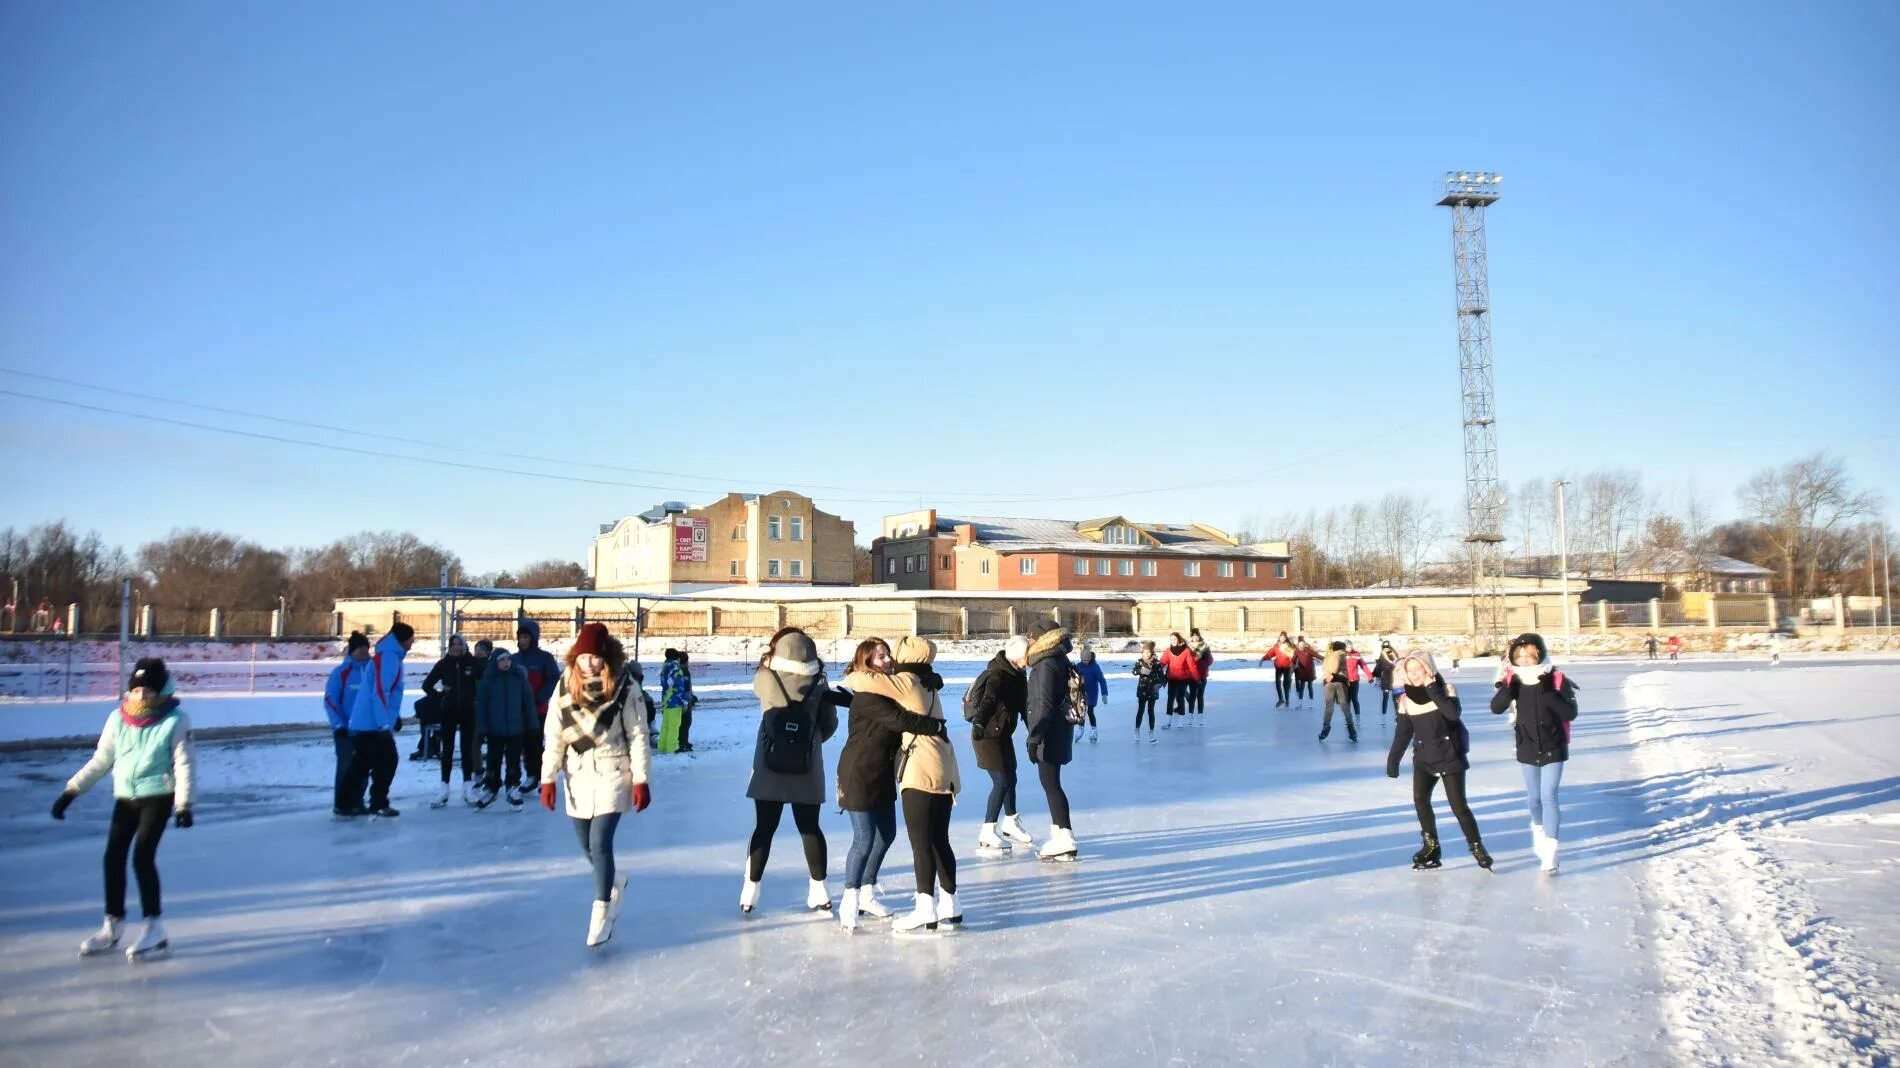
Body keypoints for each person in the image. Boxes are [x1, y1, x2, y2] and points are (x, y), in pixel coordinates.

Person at [51, 658, 195, 962]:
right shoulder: (117, 719)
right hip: (126, 797)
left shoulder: (175, 720)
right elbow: (101, 761)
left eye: (149, 690)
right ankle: (112, 925)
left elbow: (184, 765)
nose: (142, 696)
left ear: (161, 690)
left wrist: (183, 805)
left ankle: (154, 927)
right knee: (112, 857)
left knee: (142, 857)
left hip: (158, 796)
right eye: (138, 689)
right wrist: (71, 791)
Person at [538, 622, 651, 947]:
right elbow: (555, 737)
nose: (589, 663)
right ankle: (614, 879)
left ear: (605, 657)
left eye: (595, 657)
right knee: (586, 845)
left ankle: (602, 913)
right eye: (584, 657)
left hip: (614, 770)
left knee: (600, 843)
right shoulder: (565, 685)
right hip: (577, 774)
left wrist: (642, 779)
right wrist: (548, 778)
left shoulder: (625, 687)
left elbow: (638, 735)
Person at [836, 638, 950, 930]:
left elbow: (908, 691)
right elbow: (899, 719)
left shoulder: (887, 687)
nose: (887, 660)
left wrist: (928, 676)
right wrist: (936, 726)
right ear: (866, 662)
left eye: (888, 654)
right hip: (858, 773)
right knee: (863, 840)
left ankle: (867, 893)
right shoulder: (867, 693)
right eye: (879, 657)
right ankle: (849, 900)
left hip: (883, 773)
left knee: (886, 835)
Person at [741, 627, 842, 916]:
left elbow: (761, 697)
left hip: (770, 762)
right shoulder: (818, 683)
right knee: (809, 827)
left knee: (764, 827)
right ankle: (820, 892)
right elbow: (830, 724)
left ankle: (750, 891)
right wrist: (806, 741)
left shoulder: (765, 677)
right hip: (806, 765)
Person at [1386, 650, 1490, 871]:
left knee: (1459, 806)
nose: (1414, 674)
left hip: (1450, 756)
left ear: (1428, 668)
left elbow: (1452, 714)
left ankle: (1476, 846)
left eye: (1419, 669)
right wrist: (1393, 760)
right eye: (1410, 670)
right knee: (1420, 800)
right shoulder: (1405, 700)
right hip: (1423, 759)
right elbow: (1403, 733)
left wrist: (1432, 688)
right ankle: (1431, 846)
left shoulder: (1446, 690)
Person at [890, 636, 962, 934]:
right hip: (945, 767)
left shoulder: (906, 680)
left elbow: (863, 684)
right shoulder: (929, 682)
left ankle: (925, 909)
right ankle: (951, 903)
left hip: (920, 769)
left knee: (920, 842)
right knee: (938, 839)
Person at [1490, 633, 1578, 874]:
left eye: (1530, 655)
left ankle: (1551, 850)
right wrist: (1508, 688)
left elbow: (1570, 713)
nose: (1525, 660)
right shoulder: (1513, 681)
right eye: (1519, 656)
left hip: (1553, 744)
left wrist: (1550, 693)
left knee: (1549, 795)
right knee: (1534, 798)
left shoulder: (1557, 678)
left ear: (1539, 654)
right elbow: (1496, 708)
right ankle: (1538, 831)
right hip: (1527, 745)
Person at [340, 623, 414, 818]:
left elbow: (386, 694)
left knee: (362, 763)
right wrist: (383, 724)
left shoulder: (391, 656)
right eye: (410, 638)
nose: (412, 642)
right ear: (403, 640)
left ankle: (346, 802)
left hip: (369, 721)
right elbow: (380, 692)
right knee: (387, 761)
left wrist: (392, 717)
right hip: (372, 724)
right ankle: (377, 802)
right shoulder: (389, 658)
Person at [968, 635, 1035, 852]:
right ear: (1017, 657)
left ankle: (1010, 822)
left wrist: (1034, 731)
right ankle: (987, 831)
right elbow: (988, 701)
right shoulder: (998, 675)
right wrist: (978, 723)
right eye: (1027, 656)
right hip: (986, 735)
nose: (1029, 659)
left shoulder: (1018, 675)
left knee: (1011, 776)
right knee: (1001, 781)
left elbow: (1024, 708)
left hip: (1002, 733)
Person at [1024, 620, 1079, 860]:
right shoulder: (1058, 659)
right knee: (1051, 783)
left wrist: (1034, 738)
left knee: (1051, 784)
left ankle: (1064, 837)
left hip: (1049, 731)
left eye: (1031, 637)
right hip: (1058, 728)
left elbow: (1043, 704)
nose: (1028, 641)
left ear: (1042, 638)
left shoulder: (1046, 664)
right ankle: (1059, 834)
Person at [422, 635, 483, 807]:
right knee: (447, 749)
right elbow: (427, 685)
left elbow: (485, 681)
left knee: (466, 749)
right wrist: (441, 696)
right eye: (453, 644)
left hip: (468, 711)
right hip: (448, 711)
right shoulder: (443, 664)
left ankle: (467, 786)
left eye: (459, 644)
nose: (456, 647)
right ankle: (444, 788)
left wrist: (476, 698)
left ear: (464, 646)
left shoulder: (472, 663)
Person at [474, 648, 536, 808]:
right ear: (495, 663)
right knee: (493, 760)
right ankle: (491, 787)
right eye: (502, 660)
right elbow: (481, 705)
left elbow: (528, 703)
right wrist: (482, 727)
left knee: (513, 760)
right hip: (495, 729)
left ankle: (512, 787)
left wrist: (532, 724)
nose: (506, 663)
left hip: (516, 728)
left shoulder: (519, 679)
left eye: (508, 659)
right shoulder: (488, 681)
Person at [324, 632, 372, 815]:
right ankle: (342, 804)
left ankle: (358, 801)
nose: (363, 652)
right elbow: (331, 700)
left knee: (363, 768)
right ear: (352, 650)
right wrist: (339, 725)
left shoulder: (372, 671)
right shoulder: (341, 673)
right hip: (346, 731)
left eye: (365, 648)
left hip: (367, 730)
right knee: (346, 767)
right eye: (359, 649)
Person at [512, 619, 561, 794]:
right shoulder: (514, 659)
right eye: (521, 637)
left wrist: (541, 697)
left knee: (536, 743)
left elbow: (554, 679)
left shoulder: (544, 658)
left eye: (526, 637)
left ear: (533, 638)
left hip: (537, 708)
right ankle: (531, 774)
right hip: (518, 709)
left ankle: (542, 775)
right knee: (523, 744)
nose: (523, 641)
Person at [658, 648, 697, 753]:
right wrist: (684, 701)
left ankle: (662, 745)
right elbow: (680, 687)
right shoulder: (676, 669)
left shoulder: (665, 668)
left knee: (665, 725)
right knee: (674, 726)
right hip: (675, 702)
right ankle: (672, 747)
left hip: (666, 701)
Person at [1319, 640, 1356, 742]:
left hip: (1329, 682)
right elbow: (1337, 666)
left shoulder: (1330, 655)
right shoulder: (1341, 654)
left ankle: (1326, 728)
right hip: (1340, 681)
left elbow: (1328, 668)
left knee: (1329, 706)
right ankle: (1351, 729)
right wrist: (1334, 675)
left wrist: (1328, 677)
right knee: (1344, 705)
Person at [1159, 632, 1195, 727]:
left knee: (1179, 697)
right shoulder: (1169, 651)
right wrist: (1154, 666)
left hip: (1183, 678)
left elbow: (1191, 665)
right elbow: (1162, 662)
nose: (1173, 641)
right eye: (1171, 639)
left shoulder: (1186, 651)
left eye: (1174, 639)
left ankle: (1181, 719)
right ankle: (1168, 720)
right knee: (1170, 698)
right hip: (1172, 678)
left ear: (1179, 640)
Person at [1073, 645, 1107, 743]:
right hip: (1081, 693)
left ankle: (1093, 730)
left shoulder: (1095, 668)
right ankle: (1080, 728)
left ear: (1090, 658)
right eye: (1083, 660)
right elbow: (1073, 676)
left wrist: (1104, 694)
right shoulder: (1078, 666)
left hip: (1092, 694)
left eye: (1086, 660)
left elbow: (1102, 680)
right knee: (1081, 712)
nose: (1085, 662)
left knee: (1090, 712)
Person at [1131, 640, 1164, 740]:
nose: (1147, 654)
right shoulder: (1139, 662)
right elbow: (1134, 671)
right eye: (1145, 652)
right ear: (1142, 652)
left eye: (1149, 652)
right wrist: (1140, 670)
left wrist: (1158, 685)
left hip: (1152, 691)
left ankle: (1151, 731)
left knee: (1151, 711)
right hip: (1142, 690)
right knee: (1140, 710)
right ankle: (1137, 730)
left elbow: (1162, 677)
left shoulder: (1156, 663)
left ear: (1152, 652)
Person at [1261, 632, 1296, 708]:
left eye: (1284, 637)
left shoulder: (1288, 647)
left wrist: (1293, 665)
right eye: (1281, 637)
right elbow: (1270, 654)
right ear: (1279, 638)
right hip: (1278, 667)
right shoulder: (1276, 646)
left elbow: (1293, 656)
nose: (1282, 638)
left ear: (1286, 638)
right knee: (1277, 683)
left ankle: (1287, 700)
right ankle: (1281, 699)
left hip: (1287, 668)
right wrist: (1264, 658)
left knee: (1285, 685)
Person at [1186, 628, 1214, 717]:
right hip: (1192, 675)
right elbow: (1185, 660)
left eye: (1197, 636)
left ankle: (1200, 715)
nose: (1196, 638)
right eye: (1194, 636)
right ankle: (1191, 715)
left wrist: (1204, 662)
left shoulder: (1204, 646)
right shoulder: (1187, 647)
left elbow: (1210, 660)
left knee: (1200, 696)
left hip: (1202, 674)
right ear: (1191, 637)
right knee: (1192, 695)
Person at [1344, 643, 1370, 723]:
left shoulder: (1356, 654)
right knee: (1347, 700)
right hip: (1345, 680)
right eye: (1348, 646)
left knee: (1354, 699)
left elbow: (1363, 665)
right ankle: (1348, 718)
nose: (1350, 647)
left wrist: (1370, 676)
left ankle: (1357, 717)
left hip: (1354, 680)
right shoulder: (1342, 655)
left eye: (1351, 646)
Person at [1373, 643, 1399, 717]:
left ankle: (1384, 713)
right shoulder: (1395, 655)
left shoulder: (1382, 656)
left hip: (1386, 679)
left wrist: (1373, 675)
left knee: (1385, 697)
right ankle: (1397, 713)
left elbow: (1378, 668)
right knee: (1396, 697)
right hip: (1395, 678)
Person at [1293, 638, 1318, 703]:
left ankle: (1311, 702)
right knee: (1302, 686)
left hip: (1309, 671)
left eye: (1302, 644)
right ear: (1298, 645)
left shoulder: (1308, 650)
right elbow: (1293, 660)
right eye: (1300, 644)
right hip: (1302, 671)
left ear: (1304, 644)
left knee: (1309, 686)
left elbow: (1317, 655)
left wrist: (1324, 658)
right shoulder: (1296, 651)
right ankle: (1300, 702)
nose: (1301, 645)